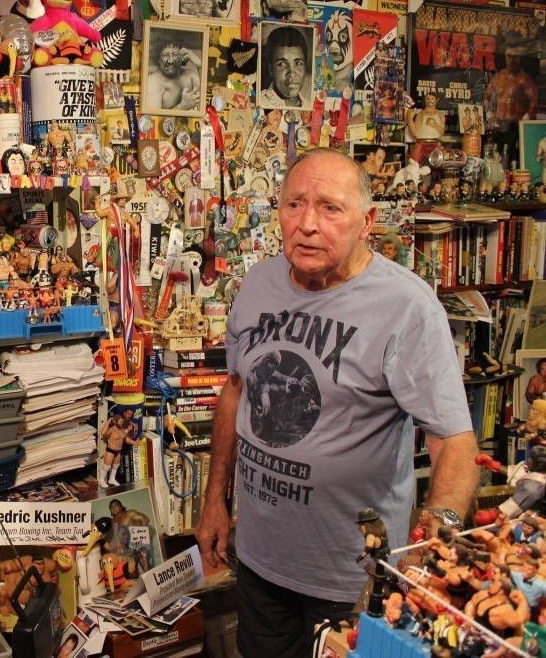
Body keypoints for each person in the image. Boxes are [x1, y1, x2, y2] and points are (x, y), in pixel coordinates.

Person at [194, 148, 478, 658]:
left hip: (354, 579)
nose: (307, 224)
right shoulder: (258, 284)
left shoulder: (408, 308)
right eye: (294, 204)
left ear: (367, 221)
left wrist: (440, 532)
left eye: (330, 208)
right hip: (260, 562)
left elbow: (452, 439)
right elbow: (236, 390)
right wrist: (215, 498)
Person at [484, 43, 537, 131]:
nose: (512, 60)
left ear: (519, 58)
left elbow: (534, 101)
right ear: (505, 57)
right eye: (509, 56)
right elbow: (486, 97)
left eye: (515, 56)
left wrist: (525, 119)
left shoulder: (525, 80)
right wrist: (489, 115)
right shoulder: (498, 77)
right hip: (499, 125)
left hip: (516, 125)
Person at [258, 26, 309, 109]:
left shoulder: (309, 105)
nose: (292, 74)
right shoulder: (260, 103)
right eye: (282, 64)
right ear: (270, 69)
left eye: (298, 63)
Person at [144, 39, 202, 112]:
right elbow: (153, 119)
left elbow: (203, 103)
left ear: (181, 57)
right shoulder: (153, 81)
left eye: (175, 54)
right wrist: (183, 106)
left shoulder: (191, 76)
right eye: (165, 55)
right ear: (158, 60)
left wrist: (200, 65)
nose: (171, 61)